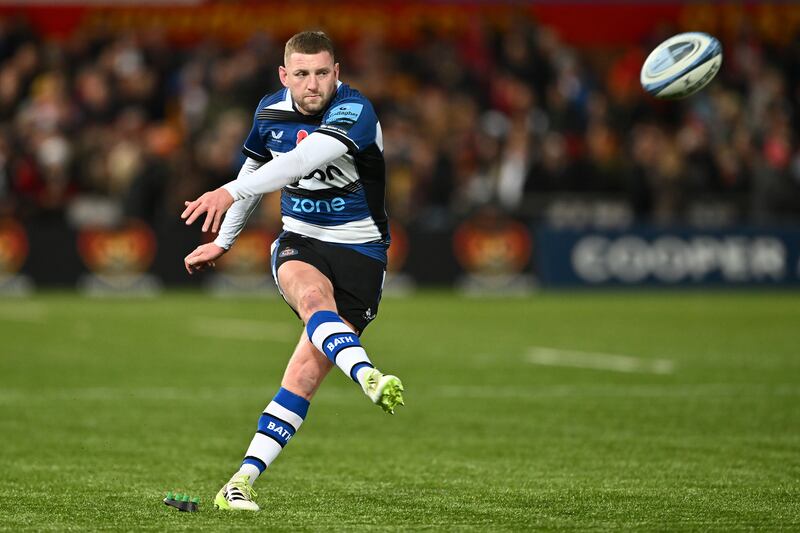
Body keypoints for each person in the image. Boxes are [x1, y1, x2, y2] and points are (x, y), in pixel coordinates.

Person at [180, 31, 404, 512]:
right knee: (312, 302)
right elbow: (252, 176)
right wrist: (223, 239)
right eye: (301, 74)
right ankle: (367, 375)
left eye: (322, 72)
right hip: (300, 241)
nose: (312, 84)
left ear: (337, 73)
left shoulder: (355, 111)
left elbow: (298, 162)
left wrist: (228, 192)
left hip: (361, 253)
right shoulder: (269, 112)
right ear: (285, 76)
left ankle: (238, 480)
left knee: (301, 377)